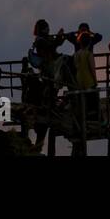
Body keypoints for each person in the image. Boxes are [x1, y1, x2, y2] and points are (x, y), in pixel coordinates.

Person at [25, 19, 68, 147]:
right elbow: (52, 46)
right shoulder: (40, 40)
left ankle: (50, 102)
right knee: (50, 86)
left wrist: (61, 38)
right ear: (43, 29)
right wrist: (59, 38)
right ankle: (48, 103)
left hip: (49, 66)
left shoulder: (43, 38)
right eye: (47, 28)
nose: (49, 30)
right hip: (47, 67)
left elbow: (55, 44)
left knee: (51, 86)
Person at [72, 23, 103, 121]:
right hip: (89, 80)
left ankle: (82, 117)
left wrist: (83, 33)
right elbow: (92, 70)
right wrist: (95, 81)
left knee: (82, 99)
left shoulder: (76, 53)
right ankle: (98, 119)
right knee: (93, 100)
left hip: (79, 79)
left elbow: (76, 66)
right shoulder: (89, 51)